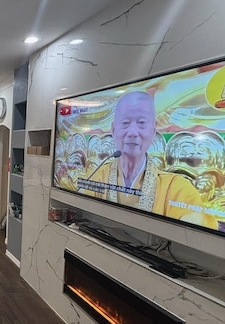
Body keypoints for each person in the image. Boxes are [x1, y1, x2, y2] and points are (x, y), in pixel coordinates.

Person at [84, 91, 217, 229]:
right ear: (113, 129)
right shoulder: (97, 176)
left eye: (141, 123)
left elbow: (196, 228)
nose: (133, 132)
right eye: (125, 123)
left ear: (153, 130)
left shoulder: (177, 187)